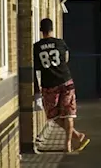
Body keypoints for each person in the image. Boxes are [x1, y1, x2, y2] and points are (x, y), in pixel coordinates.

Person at [33, 18, 90, 153]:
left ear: (41, 30)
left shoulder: (36, 47)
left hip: (49, 84)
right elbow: (67, 58)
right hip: (66, 80)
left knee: (52, 115)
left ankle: (77, 136)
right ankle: (69, 143)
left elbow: (35, 67)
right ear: (52, 29)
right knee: (68, 113)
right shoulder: (60, 43)